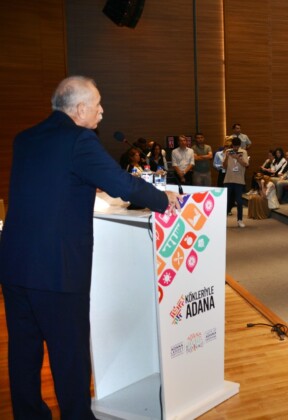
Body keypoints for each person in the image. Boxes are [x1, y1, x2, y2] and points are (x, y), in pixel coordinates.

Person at [0, 76, 179, 419]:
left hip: (14, 263)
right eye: (97, 104)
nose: (102, 111)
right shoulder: (79, 139)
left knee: (24, 352)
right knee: (70, 355)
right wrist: (162, 199)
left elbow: (49, 186)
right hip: (57, 269)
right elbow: (122, 183)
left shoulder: (25, 139)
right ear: (80, 109)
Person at [223, 137, 250, 227]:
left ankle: (240, 220)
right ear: (232, 145)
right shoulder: (227, 151)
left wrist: (238, 158)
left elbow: (246, 164)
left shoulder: (244, 152)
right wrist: (227, 157)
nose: (235, 148)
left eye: (237, 146)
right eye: (234, 146)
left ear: (239, 145)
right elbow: (224, 166)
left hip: (239, 180)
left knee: (239, 201)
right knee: (227, 201)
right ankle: (224, 220)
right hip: (228, 179)